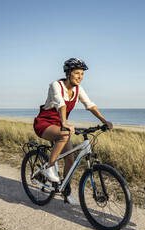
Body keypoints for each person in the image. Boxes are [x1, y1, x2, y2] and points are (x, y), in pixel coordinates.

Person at [33, 58, 113, 205]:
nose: (80, 77)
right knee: (64, 134)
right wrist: (65, 123)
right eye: (77, 73)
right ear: (68, 73)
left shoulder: (78, 89)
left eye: (82, 74)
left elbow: (90, 105)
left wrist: (104, 121)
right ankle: (49, 168)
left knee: (70, 159)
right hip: (44, 124)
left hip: (60, 125)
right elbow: (60, 104)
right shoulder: (56, 85)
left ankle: (65, 190)